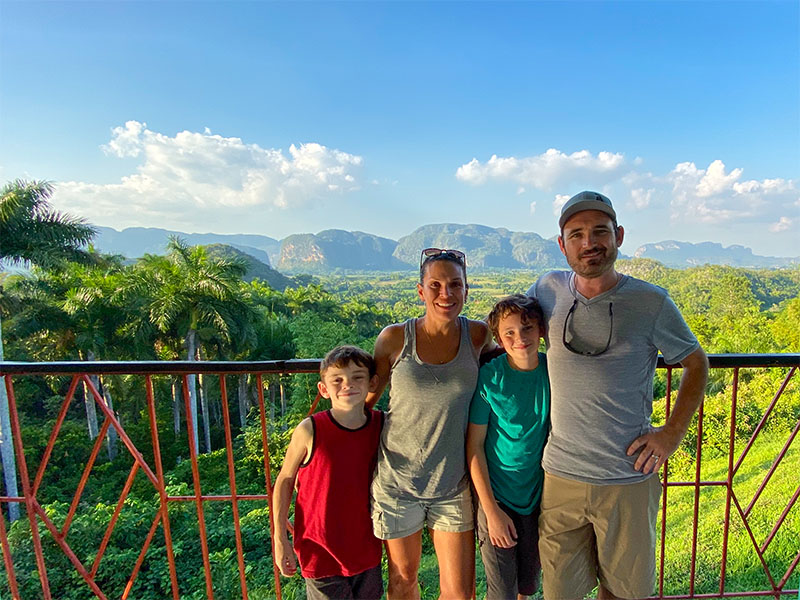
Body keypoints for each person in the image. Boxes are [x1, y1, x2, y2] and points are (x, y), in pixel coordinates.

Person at [528, 191, 709, 600]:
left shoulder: (651, 302)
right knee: (560, 592)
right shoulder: (546, 289)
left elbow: (697, 363)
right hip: (561, 476)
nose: (588, 243)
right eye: (576, 234)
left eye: (599, 232)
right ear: (562, 245)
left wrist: (671, 434)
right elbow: (509, 330)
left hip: (627, 477)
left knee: (624, 592)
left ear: (619, 236)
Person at [367, 248, 492, 600]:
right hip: (397, 482)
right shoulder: (394, 339)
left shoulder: (479, 337)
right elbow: (365, 405)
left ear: (467, 290)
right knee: (403, 581)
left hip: (452, 484)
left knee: (459, 591)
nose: (446, 294)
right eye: (435, 285)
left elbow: (503, 383)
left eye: (455, 284)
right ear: (420, 291)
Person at [273, 345, 384, 600]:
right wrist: (280, 539)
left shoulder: (381, 425)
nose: (348, 384)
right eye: (338, 379)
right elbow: (285, 479)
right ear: (323, 389)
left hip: (366, 547)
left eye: (358, 377)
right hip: (319, 549)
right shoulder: (310, 429)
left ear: (372, 382)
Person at [466, 295, 550, 600]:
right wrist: (490, 511)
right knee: (501, 591)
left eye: (527, 328)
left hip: (539, 499)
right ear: (499, 339)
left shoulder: (554, 373)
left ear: (541, 330)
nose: (520, 338)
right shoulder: (491, 378)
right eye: (509, 332)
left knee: (527, 586)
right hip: (498, 499)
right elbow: (474, 446)